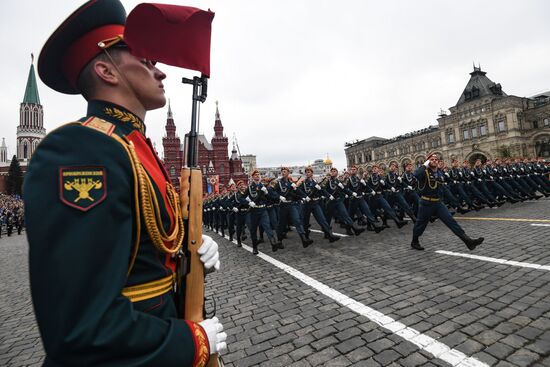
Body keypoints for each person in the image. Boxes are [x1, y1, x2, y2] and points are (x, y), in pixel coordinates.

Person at [23, 0, 226, 365]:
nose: (160, 72)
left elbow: (143, 250)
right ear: (107, 70)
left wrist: (188, 250)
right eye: (147, 60)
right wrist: (188, 341)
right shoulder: (81, 152)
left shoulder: (134, 148)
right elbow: (83, 330)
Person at [411, 153, 484, 251]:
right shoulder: (424, 171)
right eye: (431, 159)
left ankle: (468, 241)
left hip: (438, 203)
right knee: (421, 225)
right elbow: (415, 175)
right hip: (426, 203)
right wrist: (425, 164)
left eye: (436, 159)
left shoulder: (439, 172)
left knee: (451, 221)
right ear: (427, 161)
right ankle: (414, 241)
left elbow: (442, 186)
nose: (434, 161)